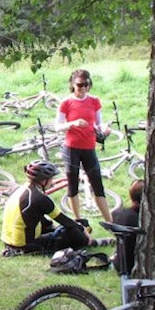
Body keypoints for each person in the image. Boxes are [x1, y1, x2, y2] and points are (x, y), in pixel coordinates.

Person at [54, 68, 113, 222]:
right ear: (73, 85)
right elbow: (57, 126)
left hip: (89, 147)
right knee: (73, 186)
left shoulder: (94, 101)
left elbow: (98, 123)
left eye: (86, 85)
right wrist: (72, 123)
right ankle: (78, 220)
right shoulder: (66, 102)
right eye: (80, 85)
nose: (83, 89)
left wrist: (104, 130)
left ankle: (110, 222)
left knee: (97, 185)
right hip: (71, 148)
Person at [0, 160, 91, 257]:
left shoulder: (20, 190)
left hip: (9, 242)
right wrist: (83, 230)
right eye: (51, 179)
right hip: (26, 245)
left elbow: (35, 217)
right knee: (75, 229)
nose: (52, 182)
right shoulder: (40, 198)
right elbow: (64, 221)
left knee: (72, 225)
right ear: (43, 181)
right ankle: (93, 242)